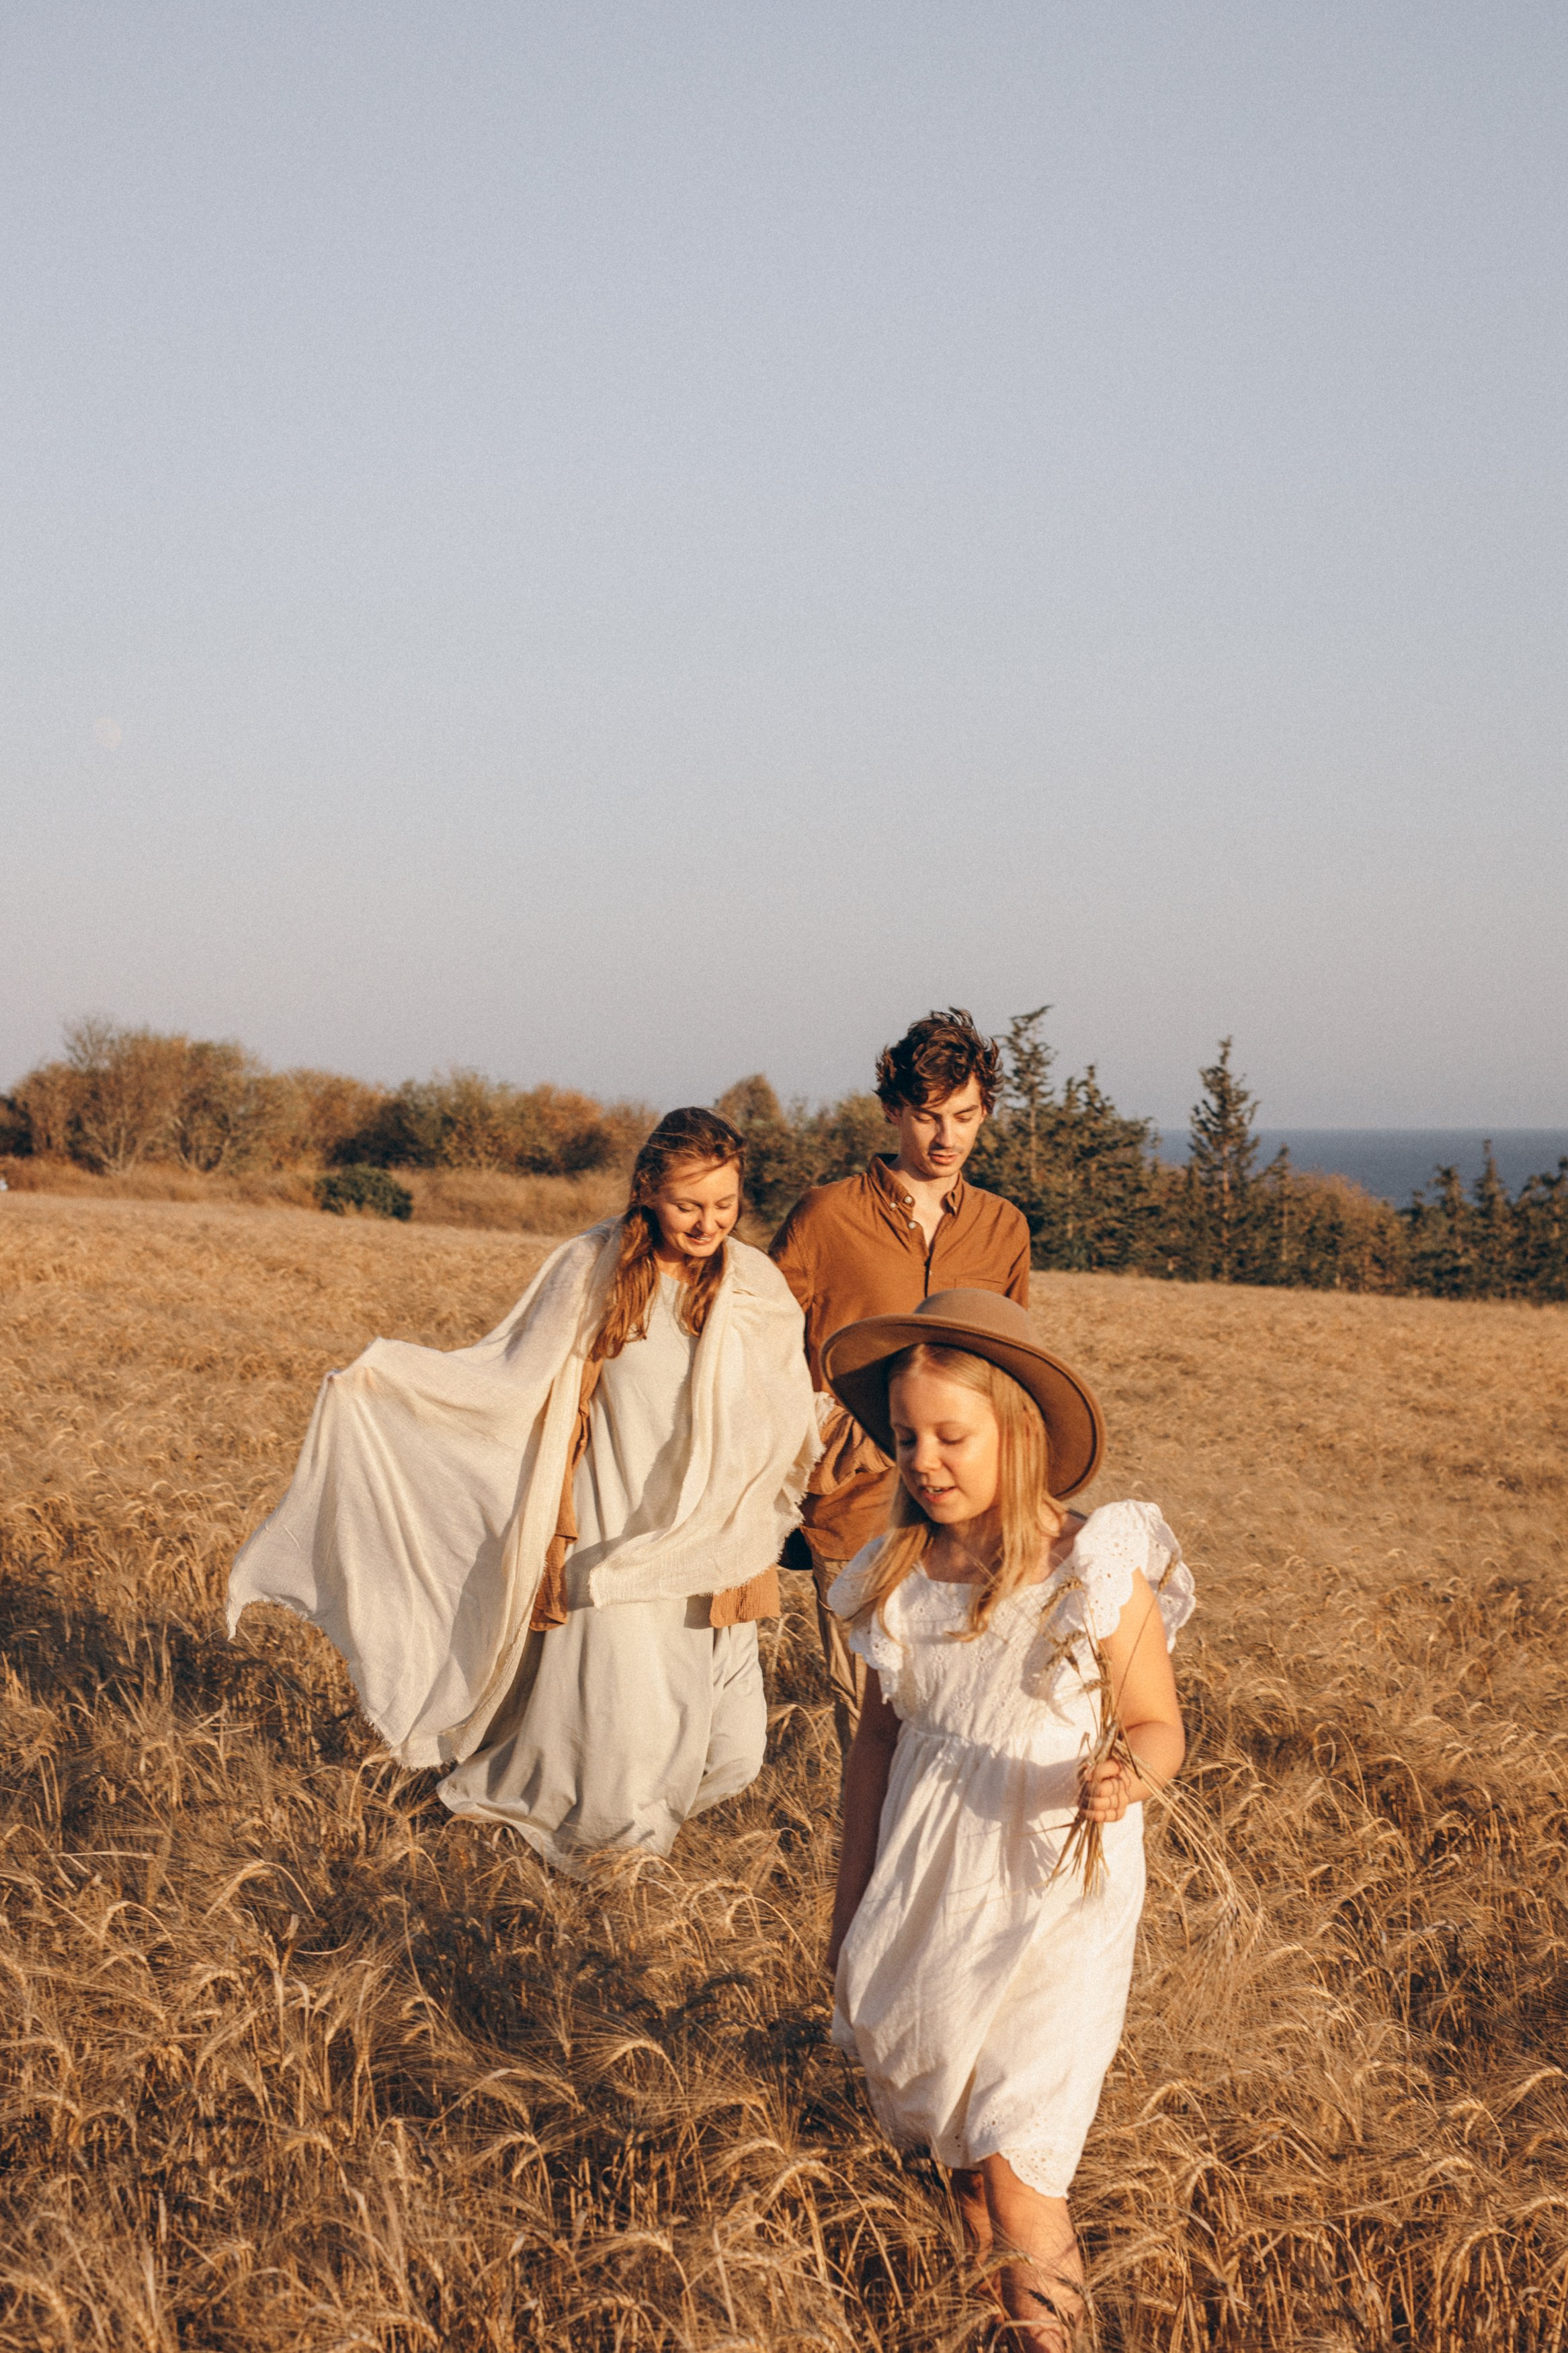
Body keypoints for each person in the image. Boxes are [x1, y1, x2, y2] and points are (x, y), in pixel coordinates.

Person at [228, 1109, 819, 1875]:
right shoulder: (596, 1267)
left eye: (725, 1205)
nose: (708, 1222)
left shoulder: (755, 1285)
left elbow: (784, 1406)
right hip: (613, 1525)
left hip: (711, 1538)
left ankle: (525, 1805)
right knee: (631, 1725)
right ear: (647, 1192)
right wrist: (389, 1383)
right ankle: (612, 1879)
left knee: (732, 1745)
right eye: (687, 1204)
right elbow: (505, 1377)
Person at [820, 1289, 1193, 2352]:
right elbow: (876, 1749)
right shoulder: (896, 1577)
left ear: (1018, 1433)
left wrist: (1130, 1774)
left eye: (951, 1435)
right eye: (904, 1438)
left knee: (1021, 2165)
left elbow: (1158, 1724)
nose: (923, 1460)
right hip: (929, 1886)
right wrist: (848, 1912)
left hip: (1056, 1890)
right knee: (962, 2170)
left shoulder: (1094, 1565)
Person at [769, 1008, 1030, 1755]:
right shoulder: (824, 1216)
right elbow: (757, 1345)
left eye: (964, 1115)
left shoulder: (1002, 1227)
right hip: (852, 1499)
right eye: (926, 1116)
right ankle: (869, 1868)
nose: (945, 1137)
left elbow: (1006, 1369)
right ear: (891, 1111)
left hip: (967, 1502)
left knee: (966, 1706)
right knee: (871, 1719)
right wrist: (824, 1426)